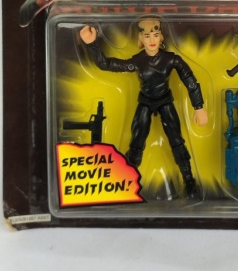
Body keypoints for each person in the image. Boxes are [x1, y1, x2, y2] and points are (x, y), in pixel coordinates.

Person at [80, 18, 208, 198]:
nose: (152, 39)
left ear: (161, 36)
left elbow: (190, 80)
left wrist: (199, 107)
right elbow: (106, 64)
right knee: (137, 141)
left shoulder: (171, 59)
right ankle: (125, 180)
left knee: (176, 141)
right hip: (146, 102)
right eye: (147, 36)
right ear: (141, 38)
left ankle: (189, 182)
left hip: (165, 101)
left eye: (155, 34)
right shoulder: (138, 61)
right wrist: (92, 44)